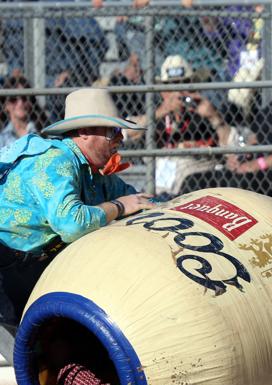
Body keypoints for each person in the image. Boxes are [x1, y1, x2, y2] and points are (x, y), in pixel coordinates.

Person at [0, 88, 155, 327]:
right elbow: (71, 224)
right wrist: (119, 207)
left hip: (28, 265)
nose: (121, 138)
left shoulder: (88, 169)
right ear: (84, 132)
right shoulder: (56, 160)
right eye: (113, 131)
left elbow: (135, 199)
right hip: (7, 267)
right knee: (19, 349)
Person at [182, 47, 272, 208]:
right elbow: (254, 138)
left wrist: (259, 164)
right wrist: (240, 156)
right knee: (194, 182)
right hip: (256, 167)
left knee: (240, 183)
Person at [125, 55, 234, 199]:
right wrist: (161, 112)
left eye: (183, 84)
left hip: (197, 187)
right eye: (170, 86)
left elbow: (235, 148)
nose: (177, 93)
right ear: (162, 91)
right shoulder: (157, 115)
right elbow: (123, 132)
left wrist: (214, 118)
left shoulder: (205, 112)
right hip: (159, 190)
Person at [0, 76, 46, 150]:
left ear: (31, 102)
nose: (20, 103)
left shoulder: (43, 132)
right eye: (13, 99)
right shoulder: (2, 139)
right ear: (6, 105)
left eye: (24, 98)